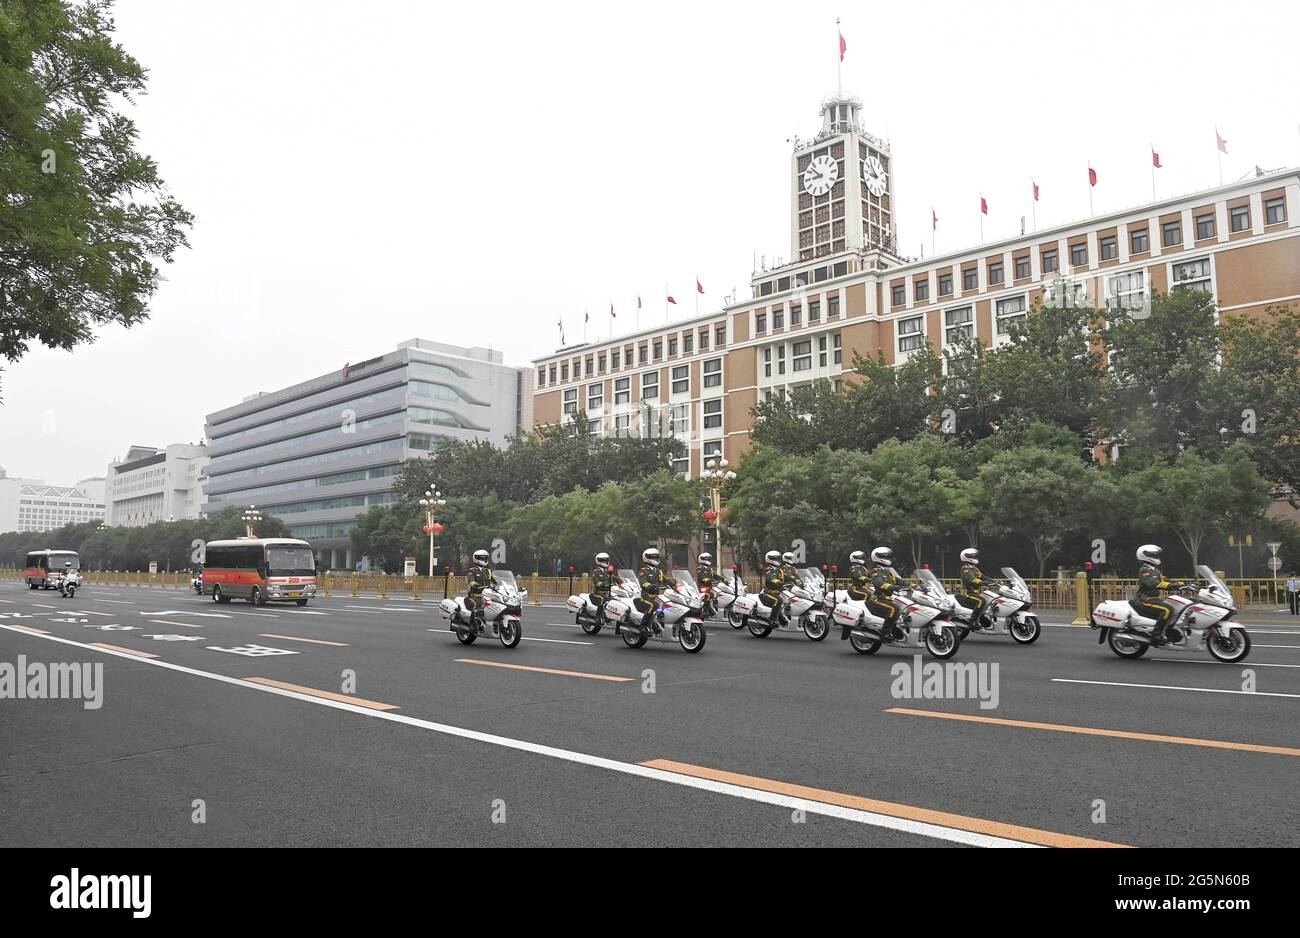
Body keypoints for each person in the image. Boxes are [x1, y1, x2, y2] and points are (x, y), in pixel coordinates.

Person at [1134, 544, 1182, 641]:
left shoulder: (1154, 570)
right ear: (1146, 556)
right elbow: (1152, 582)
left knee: (1177, 607)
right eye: (1154, 555)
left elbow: (1164, 580)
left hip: (1154, 599)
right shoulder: (1144, 570)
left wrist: (1179, 584)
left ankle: (1169, 631)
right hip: (1145, 599)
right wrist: (1168, 585)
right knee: (1168, 610)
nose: (1156, 557)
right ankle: (1157, 634)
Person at [868, 547, 904, 640]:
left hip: (887, 599)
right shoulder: (876, 571)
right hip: (878, 599)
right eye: (886, 557)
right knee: (894, 608)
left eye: (888, 557)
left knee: (904, 608)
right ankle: (885, 632)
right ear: (878, 557)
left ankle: (896, 630)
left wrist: (915, 585)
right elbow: (879, 583)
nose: (889, 559)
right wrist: (893, 587)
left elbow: (899, 581)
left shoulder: (888, 571)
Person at [635, 548, 671, 632]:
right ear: (647, 558)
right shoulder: (643, 571)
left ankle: (659, 624)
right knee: (653, 605)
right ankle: (643, 625)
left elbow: (666, 580)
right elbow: (642, 582)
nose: (655, 559)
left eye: (656, 557)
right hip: (646, 597)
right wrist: (650, 587)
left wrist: (674, 583)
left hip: (659, 596)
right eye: (653, 558)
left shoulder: (658, 571)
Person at [957, 548, 993, 629]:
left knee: (989, 600)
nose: (975, 558)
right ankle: (972, 621)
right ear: (967, 557)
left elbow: (983, 577)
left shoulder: (974, 568)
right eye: (973, 556)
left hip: (975, 592)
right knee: (982, 600)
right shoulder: (965, 568)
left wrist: (996, 581)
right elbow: (971, 579)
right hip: (968, 593)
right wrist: (982, 583)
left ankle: (983, 618)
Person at [841, 550, 871, 640]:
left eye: (862, 557)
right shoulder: (854, 568)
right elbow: (858, 576)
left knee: (874, 594)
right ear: (854, 559)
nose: (862, 559)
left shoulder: (863, 568)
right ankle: (864, 616)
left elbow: (871, 575)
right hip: (855, 588)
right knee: (867, 595)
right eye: (859, 557)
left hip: (862, 587)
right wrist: (868, 579)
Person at [466, 549, 497, 627]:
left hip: (488, 595)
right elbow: (471, 580)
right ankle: (471, 624)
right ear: (477, 559)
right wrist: (475, 584)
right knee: (477, 606)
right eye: (482, 558)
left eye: (485, 558)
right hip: (475, 595)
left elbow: (495, 581)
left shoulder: (488, 571)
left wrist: (503, 584)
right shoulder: (472, 570)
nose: (484, 560)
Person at [757, 550, 787, 620]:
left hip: (778, 593)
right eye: (776, 559)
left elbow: (787, 579)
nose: (778, 560)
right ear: (770, 559)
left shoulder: (780, 570)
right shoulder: (768, 569)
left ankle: (783, 617)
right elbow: (771, 578)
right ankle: (772, 619)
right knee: (778, 600)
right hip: (767, 593)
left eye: (779, 558)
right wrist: (779, 583)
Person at [590, 552, 613, 621]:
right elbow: (596, 582)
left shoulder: (608, 571)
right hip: (598, 593)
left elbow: (615, 578)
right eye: (603, 560)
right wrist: (602, 584)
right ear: (599, 561)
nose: (605, 562)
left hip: (608, 592)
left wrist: (622, 582)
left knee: (616, 600)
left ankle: (609, 616)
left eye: (606, 560)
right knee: (602, 600)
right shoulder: (596, 572)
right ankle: (597, 617)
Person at [696, 552, 717, 618]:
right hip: (702, 588)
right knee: (708, 595)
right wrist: (708, 580)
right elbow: (701, 577)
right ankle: (705, 611)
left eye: (709, 559)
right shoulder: (700, 568)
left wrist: (723, 579)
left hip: (709, 588)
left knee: (715, 595)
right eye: (707, 559)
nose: (709, 560)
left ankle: (711, 609)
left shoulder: (709, 569)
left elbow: (715, 575)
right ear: (702, 559)